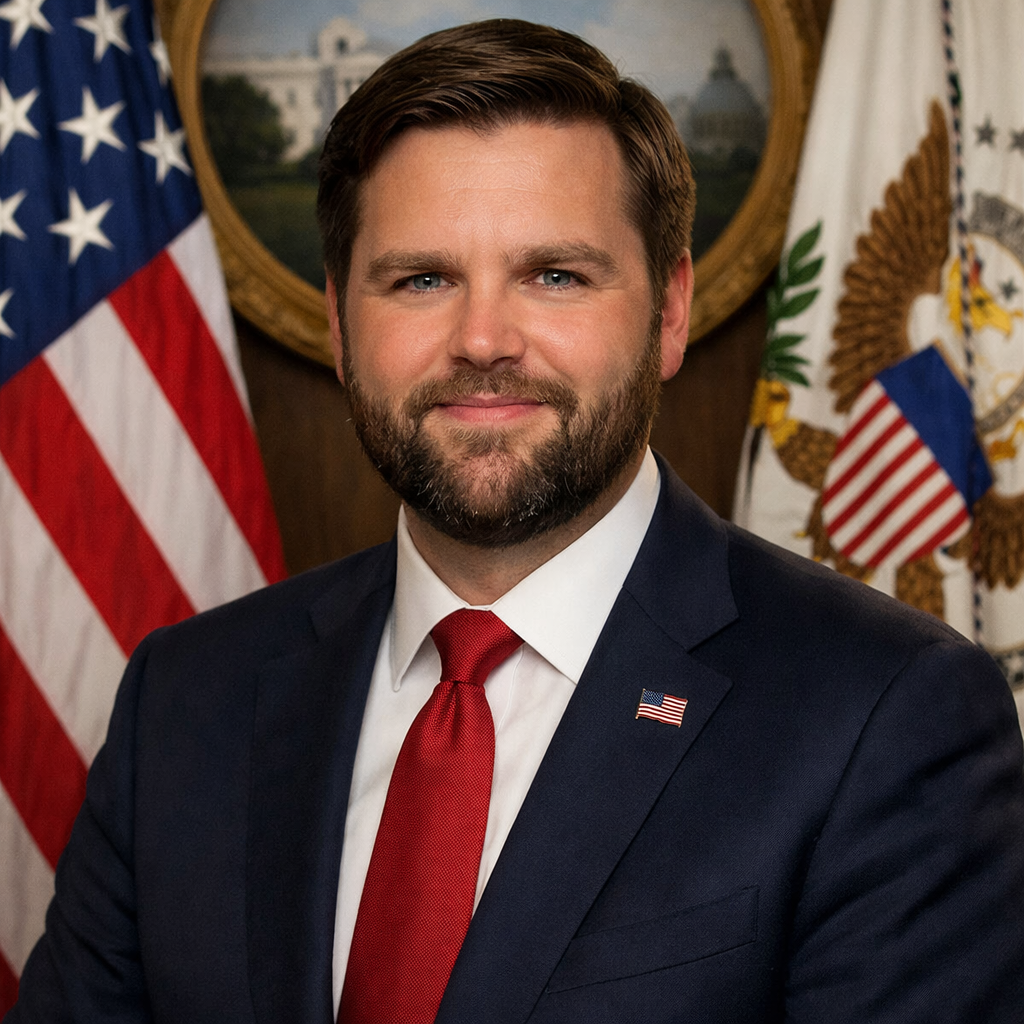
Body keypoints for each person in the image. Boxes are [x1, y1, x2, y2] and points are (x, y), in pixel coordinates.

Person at [9, 19, 1024, 1024]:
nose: (482, 339)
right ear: (337, 322)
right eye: (421, 279)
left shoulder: (887, 713)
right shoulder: (185, 700)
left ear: (669, 310)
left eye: (554, 275)